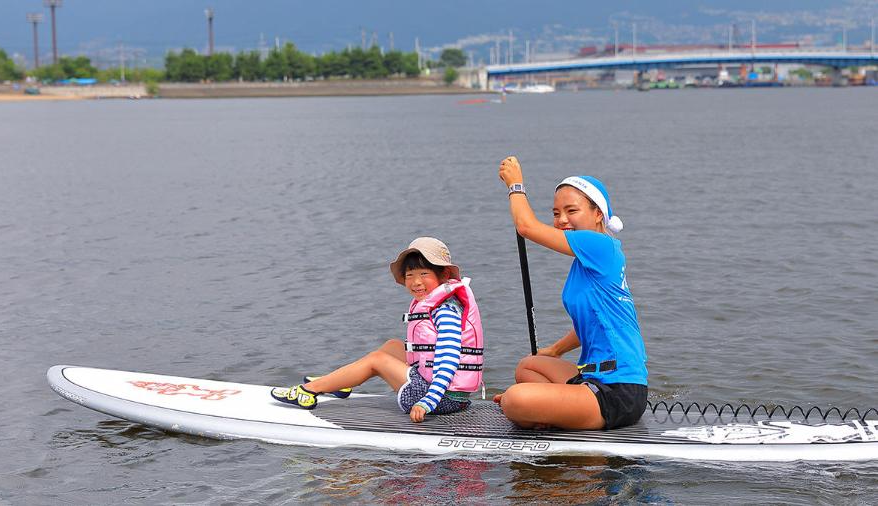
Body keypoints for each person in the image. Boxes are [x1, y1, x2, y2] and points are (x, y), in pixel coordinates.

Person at [494, 156, 648, 431]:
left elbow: (526, 227)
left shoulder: (601, 245)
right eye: (555, 213)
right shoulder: (585, 264)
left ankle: (537, 409)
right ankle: (547, 409)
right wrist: (554, 350)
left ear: (598, 214)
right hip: (590, 378)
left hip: (618, 391)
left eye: (571, 211)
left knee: (514, 399)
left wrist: (515, 185)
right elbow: (593, 321)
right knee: (528, 367)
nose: (561, 220)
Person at [270, 237, 484, 423]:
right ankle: (338, 383)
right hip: (449, 395)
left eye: (424, 273)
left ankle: (308, 391)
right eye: (409, 275)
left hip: (441, 399)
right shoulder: (441, 302)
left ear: (444, 275)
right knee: (393, 346)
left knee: (377, 360)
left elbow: (449, 358)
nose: (416, 282)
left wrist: (428, 402)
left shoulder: (445, 311)